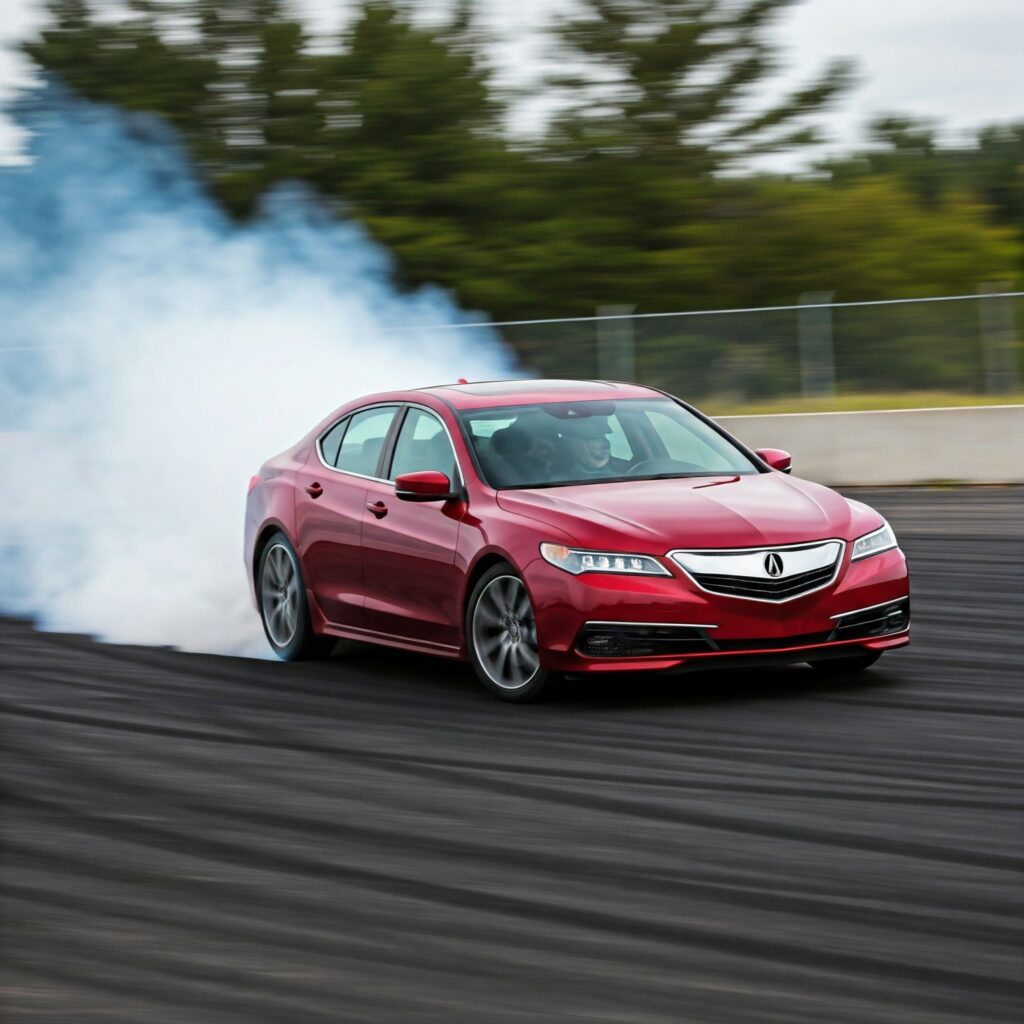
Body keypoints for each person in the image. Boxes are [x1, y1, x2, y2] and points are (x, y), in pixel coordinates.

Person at [557, 416, 627, 479]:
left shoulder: (627, 469)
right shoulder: (562, 476)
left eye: (604, 436)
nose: (606, 442)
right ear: (578, 444)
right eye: (597, 439)